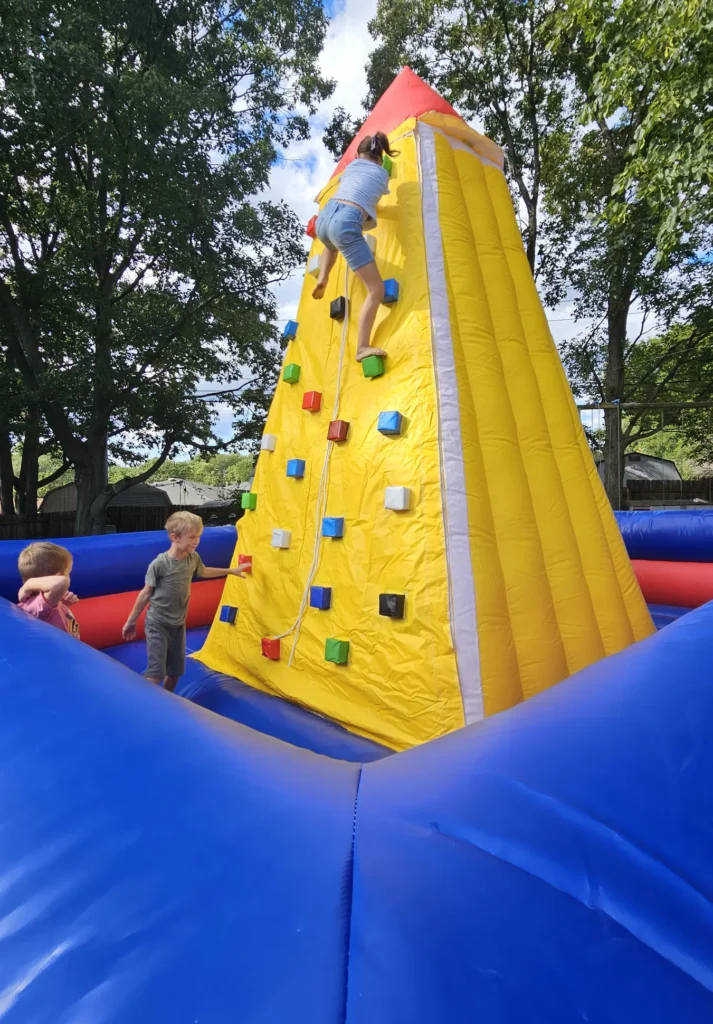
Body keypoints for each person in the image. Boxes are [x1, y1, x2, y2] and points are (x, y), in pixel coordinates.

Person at [121, 511, 247, 693]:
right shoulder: (160, 564)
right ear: (175, 537)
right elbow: (145, 593)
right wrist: (131, 621)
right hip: (158, 623)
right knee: (156, 674)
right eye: (192, 537)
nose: (197, 541)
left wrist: (231, 571)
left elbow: (203, 571)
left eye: (199, 537)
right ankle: (139, 702)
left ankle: (167, 701)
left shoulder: (192, 558)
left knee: (175, 673)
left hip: (178, 624)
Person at [312, 131, 399, 362]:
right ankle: (362, 348)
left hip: (325, 217)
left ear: (357, 156)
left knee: (331, 241)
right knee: (376, 289)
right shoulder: (381, 174)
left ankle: (323, 275)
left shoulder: (350, 169)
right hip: (346, 220)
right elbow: (370, 207)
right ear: (380, 159)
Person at [17, 541, 80, 638]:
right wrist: (28, 585)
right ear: (59, 576)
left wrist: (64, 604)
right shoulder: (34, 606)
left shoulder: (48, 602)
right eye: (68, 573)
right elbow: (61, 582)